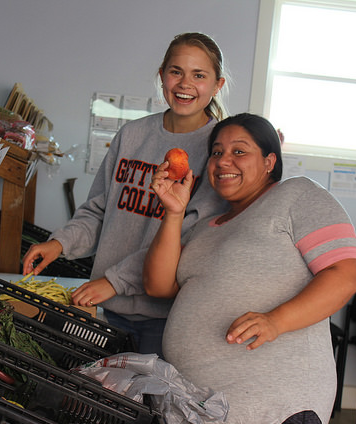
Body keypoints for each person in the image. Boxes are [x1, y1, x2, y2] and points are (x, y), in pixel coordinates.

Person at [144, 112, 356, 424]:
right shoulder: (206, 227)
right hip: (201, 408)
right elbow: (158, 286)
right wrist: (174, 213)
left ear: (269, 161)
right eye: (217, 152)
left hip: (273, 406)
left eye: (239, 151)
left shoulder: (298, 195)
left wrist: (276, 320)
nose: (223, 161)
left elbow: (347, 274)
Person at [22, 32, 229, 357]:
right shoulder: (132, 135)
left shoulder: (217, 152)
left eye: (199, 75)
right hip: (108, 307)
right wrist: (59, 243)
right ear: (161, 76)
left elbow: (190, 241)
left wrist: (115, 281)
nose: (185, 83)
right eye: (176, 71)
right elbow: (98, 210)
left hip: (167, 318)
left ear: (217, 84)